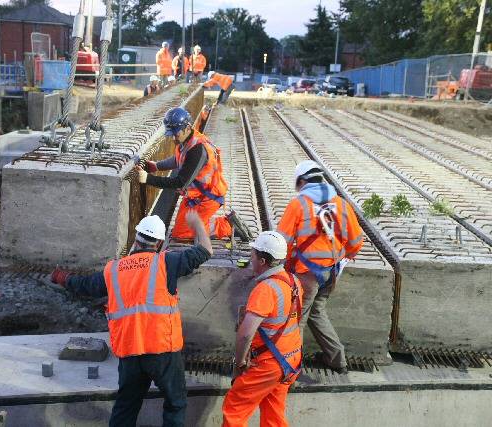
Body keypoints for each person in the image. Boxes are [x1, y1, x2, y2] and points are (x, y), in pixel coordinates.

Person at [50, 211, 213, 427]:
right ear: (160, 243)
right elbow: (206, 250)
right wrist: (197, 223)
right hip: (162, 350)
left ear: (136, 239)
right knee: (175, 403)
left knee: (126, 407)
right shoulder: (167, 262)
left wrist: (65, 278)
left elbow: (85, 286)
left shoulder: (113, 269)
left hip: (130, 351)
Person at [277, 160, 364, 374]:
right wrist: (342, 257)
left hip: (307, 274)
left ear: (303, 181)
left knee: (297, 318)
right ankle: (337, 360)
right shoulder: (341, 204)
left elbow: (282, 242)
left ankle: (289, 368)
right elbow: (356, 243)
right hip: (331, 272)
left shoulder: (298, 205)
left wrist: (287, 267)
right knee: (317, 311)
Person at [134, 107, 252, 241]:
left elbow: (180, 182)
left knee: (182, 235)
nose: (173, 138)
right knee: (179, 230)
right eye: (170, 134)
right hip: (194, 196)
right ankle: (206, 223)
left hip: (207, 197)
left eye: (175, 134)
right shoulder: (186, 140)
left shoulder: (197, 150)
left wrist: (148, 178)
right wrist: (157, 166)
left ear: (187, 128)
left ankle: (227, 225)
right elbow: (178, 159)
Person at [222, 231, 303, 427]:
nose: (251, 258)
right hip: (290, 359)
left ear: (263, 260)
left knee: (234, 408)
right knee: (273, 414)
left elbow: (245, 334)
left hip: (269, 363)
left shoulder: (266, 289)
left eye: (253, 255)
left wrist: (241, 361)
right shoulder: (293, 281)